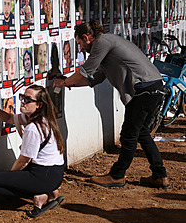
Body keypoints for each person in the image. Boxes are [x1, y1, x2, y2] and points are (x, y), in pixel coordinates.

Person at [54, 20, 168, 189]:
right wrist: (70, 83)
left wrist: (63, 83)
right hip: (153, 88)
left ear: (87, 37)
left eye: (79, 43)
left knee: (128, 136)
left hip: (143, 91)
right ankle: (160, 176)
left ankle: (117, 175)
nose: (80, 48)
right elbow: (95, 78)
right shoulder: (108, 45)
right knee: (142, 133)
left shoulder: (102, 42)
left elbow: (85, 71)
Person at [0, 84, 65, 217]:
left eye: (28, 99)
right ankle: (50, 191)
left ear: (39, 105)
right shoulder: (42, 118)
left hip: (42, 176)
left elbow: (24, 161)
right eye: (22, 97)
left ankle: (39, 195)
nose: (23, 101)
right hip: (56, 174)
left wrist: (11, 177)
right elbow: (8, 118)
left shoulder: (33, 127)